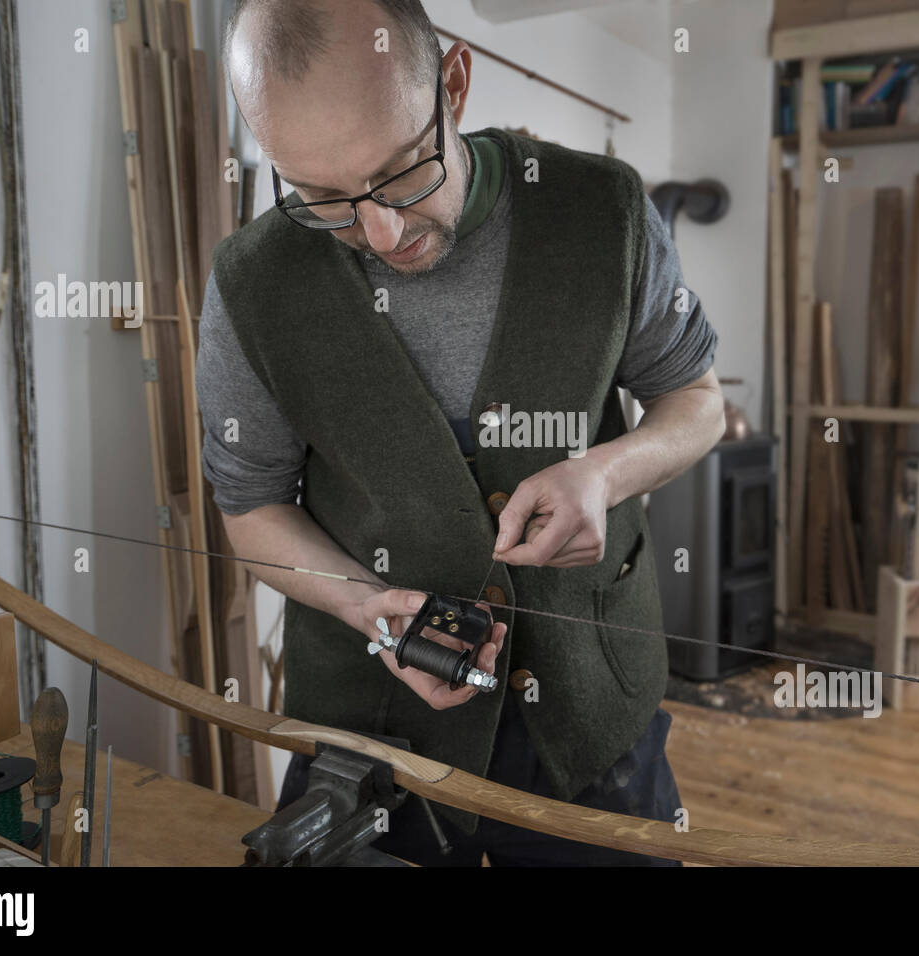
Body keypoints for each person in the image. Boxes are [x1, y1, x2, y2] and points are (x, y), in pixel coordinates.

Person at [201, 0, 724, 865]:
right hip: (371, 738)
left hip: (592, 706)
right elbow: (250, 507)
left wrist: (606, 472)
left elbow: (696, 401)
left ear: (454, 81)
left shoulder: (604, 211)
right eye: (319, 198)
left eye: (401, 174)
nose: (380, 233)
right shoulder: (252, 283)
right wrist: (366, 608)